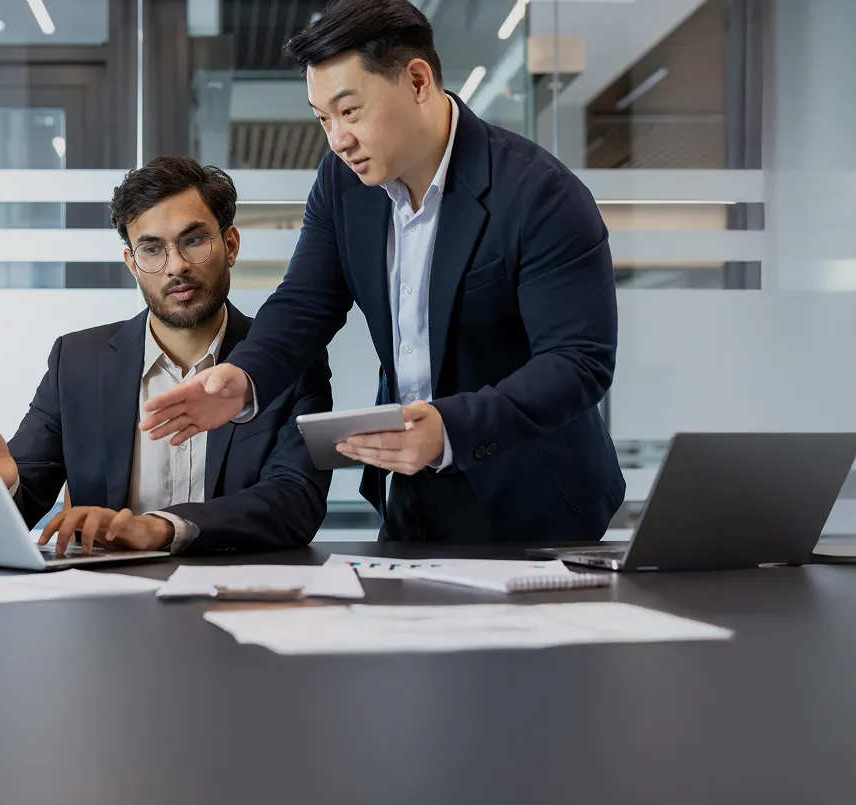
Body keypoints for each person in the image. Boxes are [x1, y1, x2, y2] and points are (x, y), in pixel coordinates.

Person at [140, 0, 625, 545]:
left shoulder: (540, 193)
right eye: (322, 118)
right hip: (410, 493)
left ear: (418, 81)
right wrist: (243, 376)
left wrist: (451, 428)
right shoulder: (343, 183)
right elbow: (307, 300)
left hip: (535, 494)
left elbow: (577, 362)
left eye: (350, 111)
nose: (337, 139)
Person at [0, 156, 333, 556]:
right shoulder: (76, 362)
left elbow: (296, 502)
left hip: (237, 596)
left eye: (193, 240)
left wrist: (161, 529)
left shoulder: (288, 358)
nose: (175, 266)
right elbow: (22, 504)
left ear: (230, 246)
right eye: (152, 249)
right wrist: (5, 487)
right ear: (132, 265)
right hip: (109, 598)